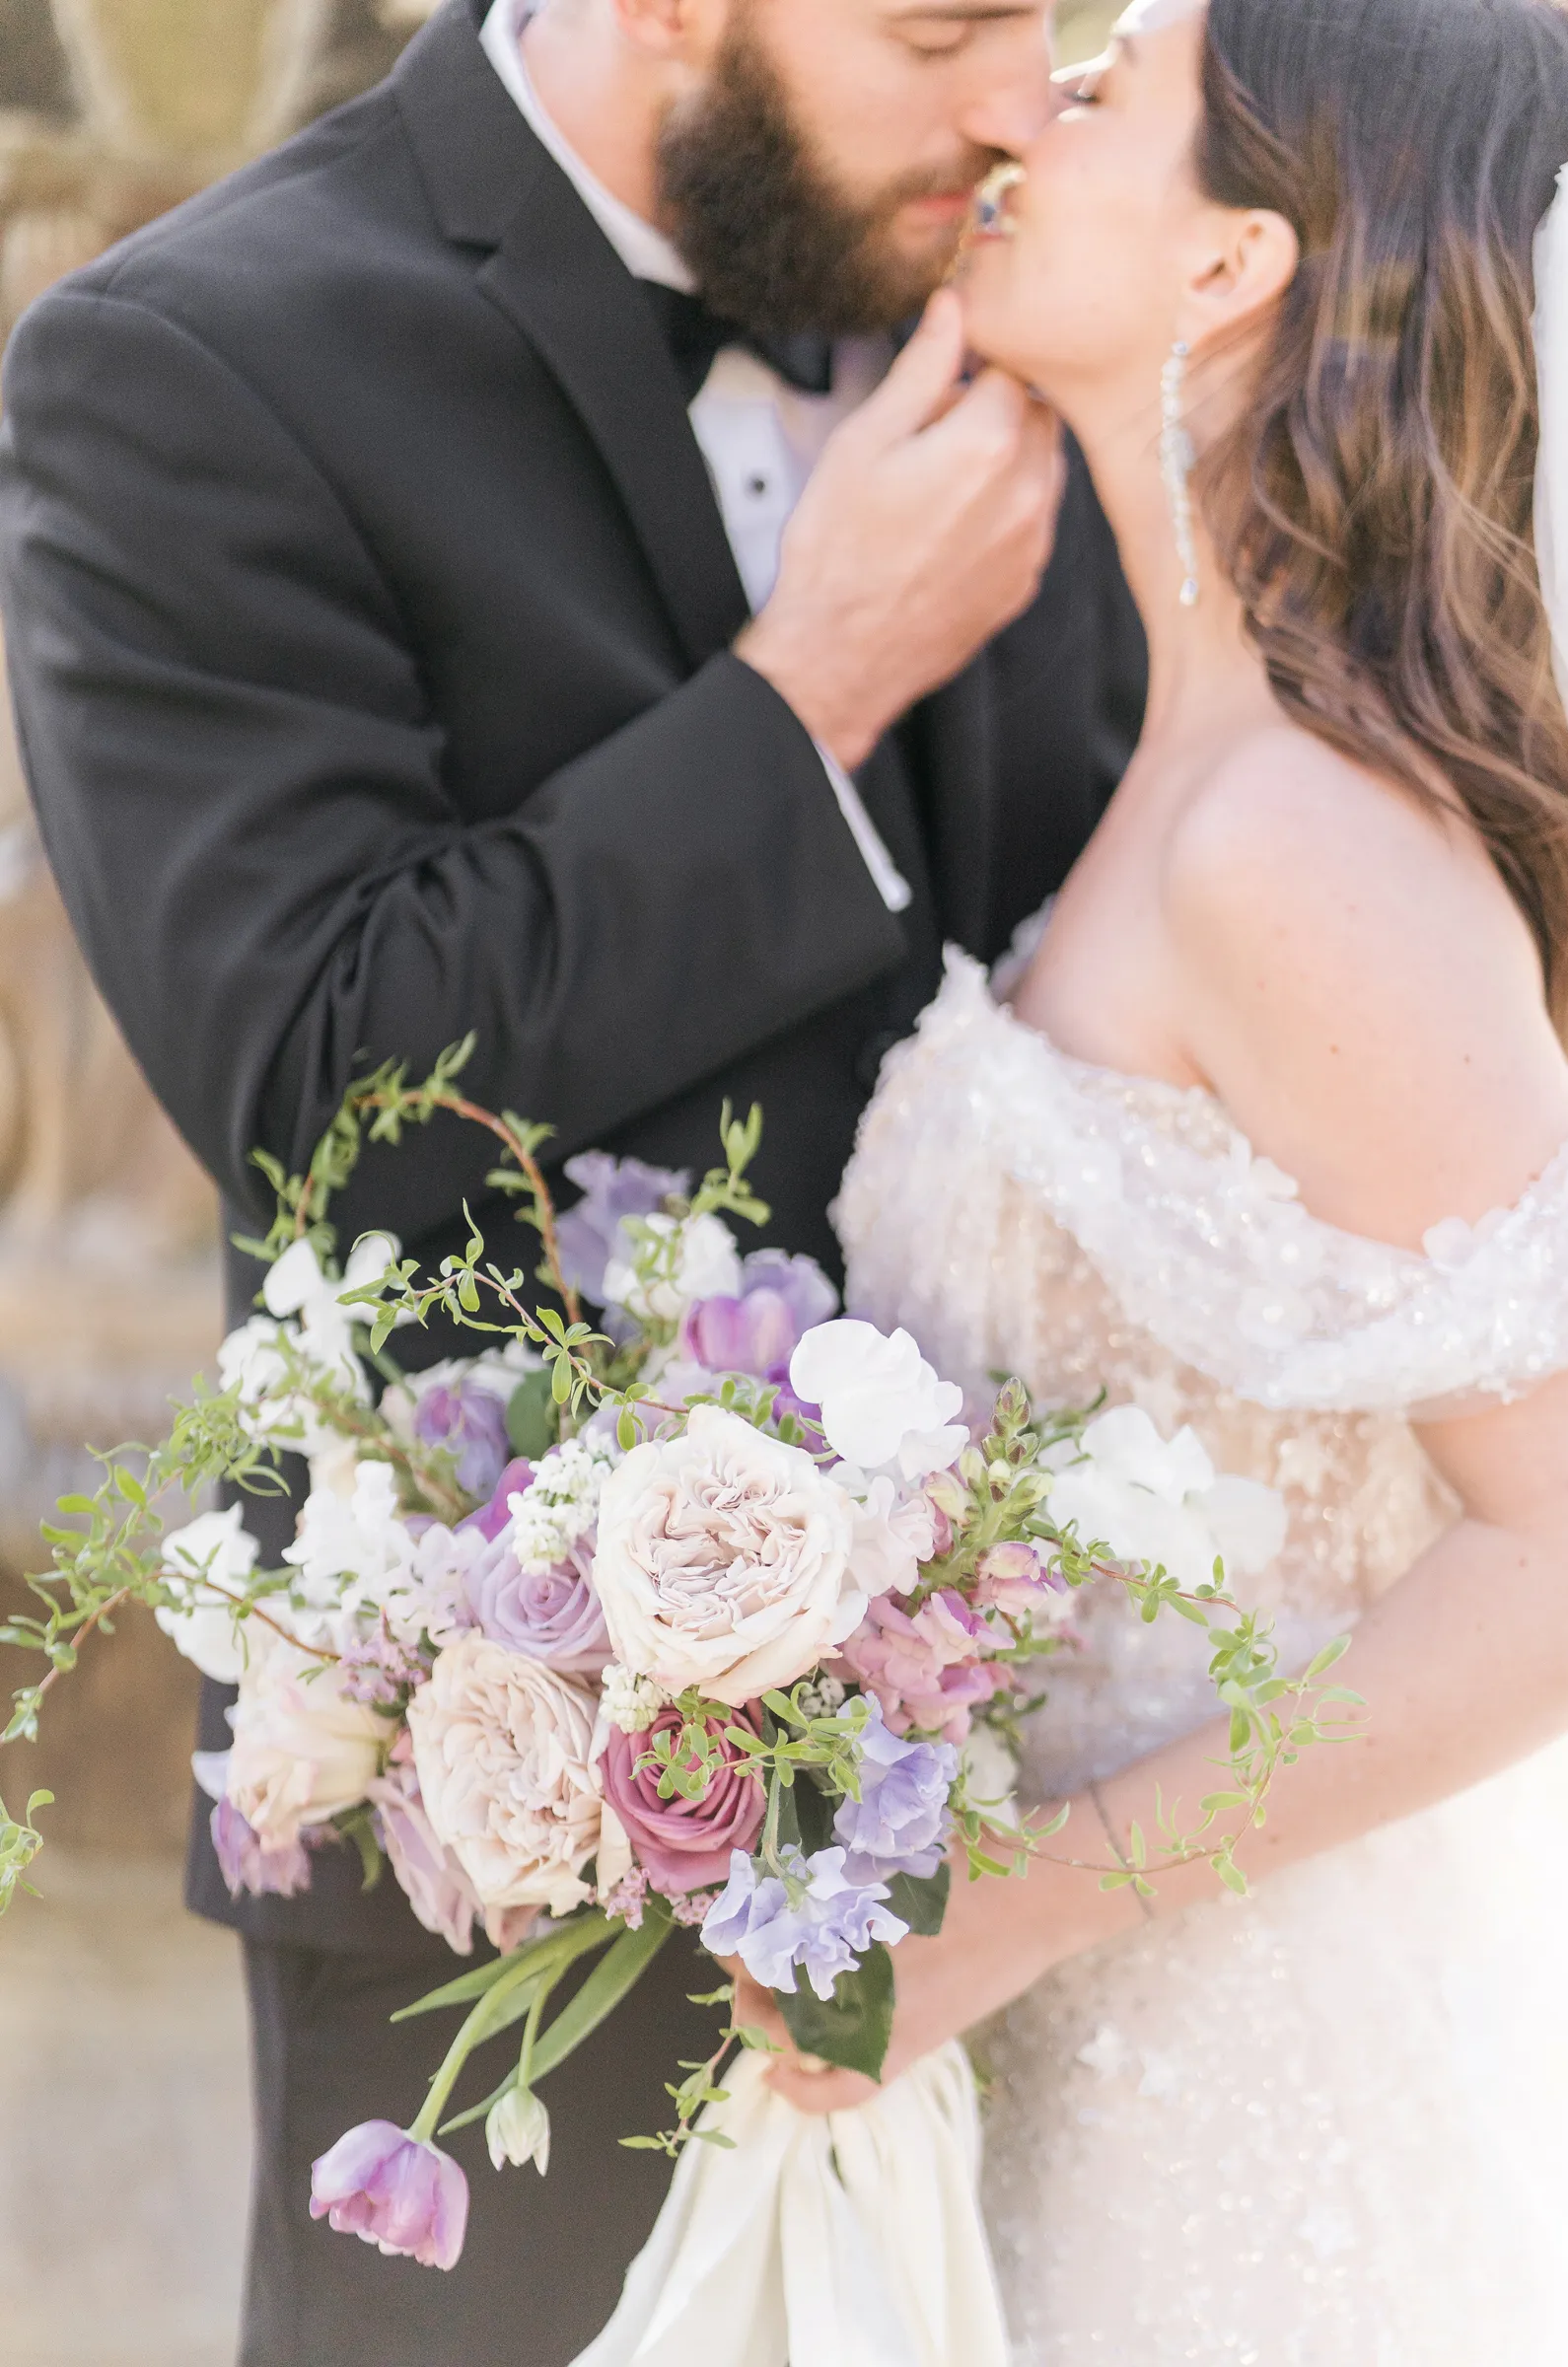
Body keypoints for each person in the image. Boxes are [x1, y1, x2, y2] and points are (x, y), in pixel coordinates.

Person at [0, 0, 1145, 2361]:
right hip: (505, 1878)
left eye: (1057, 20)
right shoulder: (187, 366)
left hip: (1092, 1855)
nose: (1021, 102)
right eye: (946, 26)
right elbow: (315, 1087)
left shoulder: (1036, 298)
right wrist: (803, 697)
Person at [740, 0, 1568, 2356]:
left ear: (1232, 270)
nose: (1023, 106)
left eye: (1100, 93)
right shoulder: (1192, 772)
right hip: (1068, 2057)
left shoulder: (1296, 845)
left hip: (1235, 2106)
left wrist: (1010, 1907)